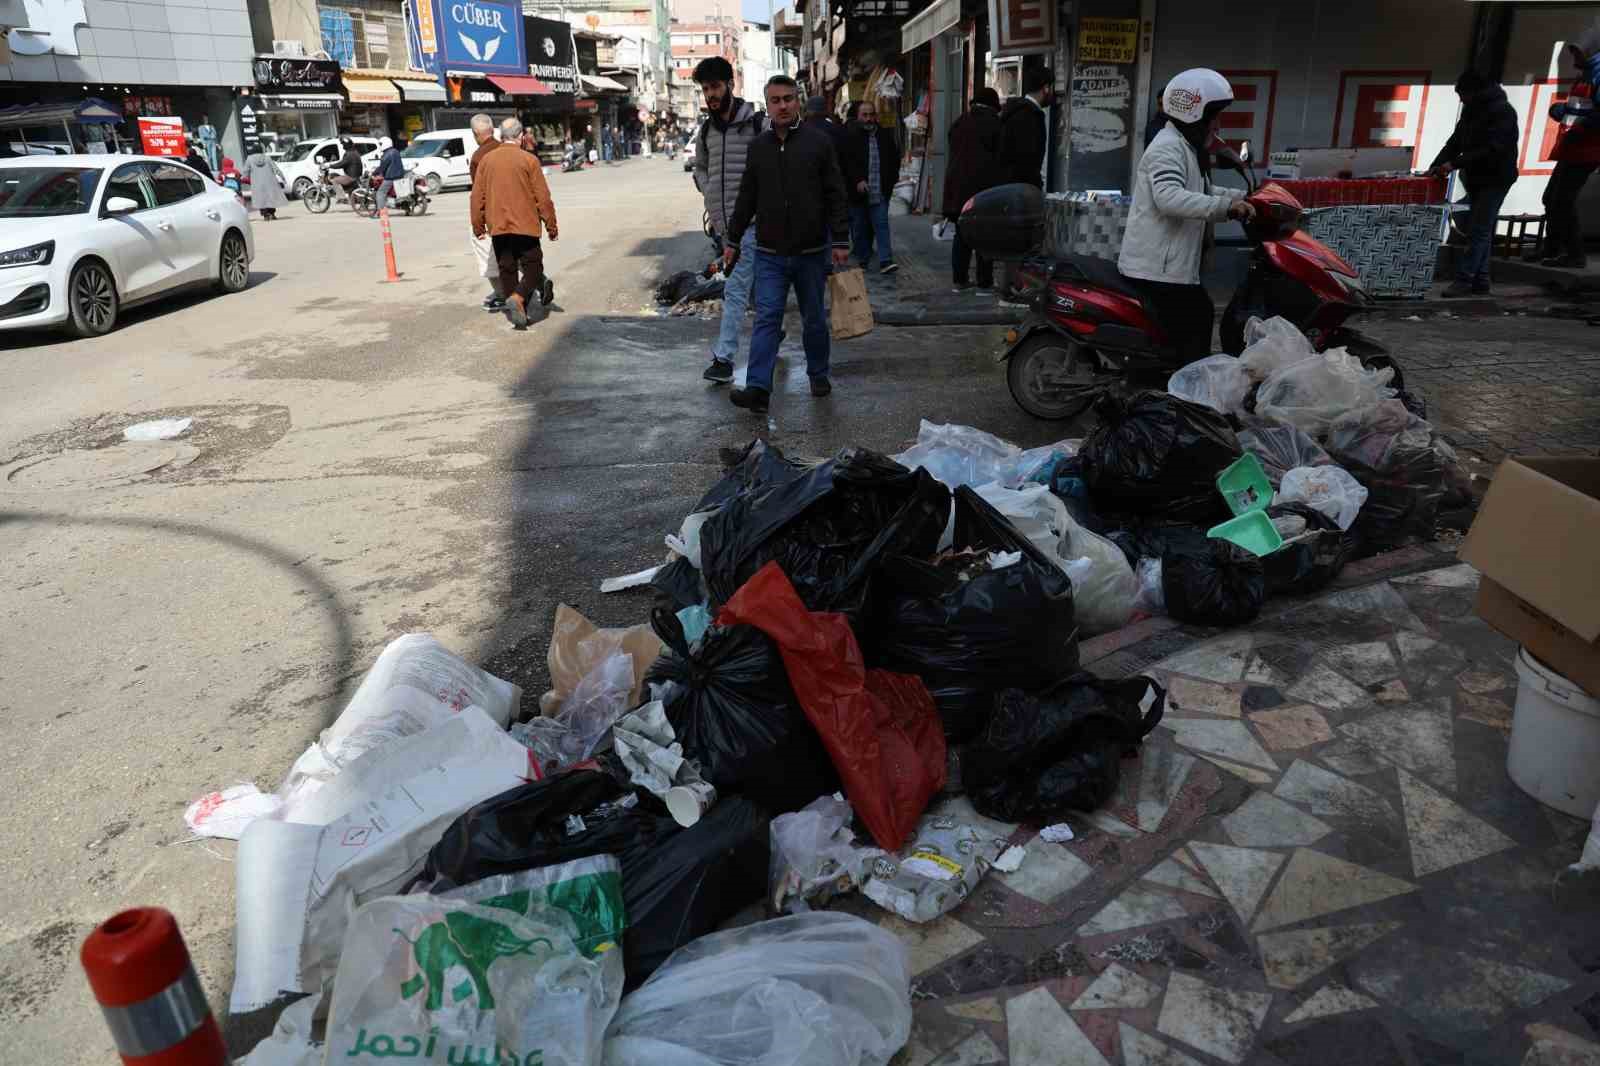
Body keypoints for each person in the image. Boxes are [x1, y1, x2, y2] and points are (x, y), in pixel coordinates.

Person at [723, 74, 850, 414]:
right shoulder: (759, 148)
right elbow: (746, 197)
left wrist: (840, 238)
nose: (783, 105)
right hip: (770, 254)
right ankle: (758, 389)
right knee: (766, 318)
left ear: (798, 101)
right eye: (776, 100)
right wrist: (732, 239)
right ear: (767, 105)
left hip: (811, 252)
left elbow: (836, 193)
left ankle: (818, 374)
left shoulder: (818, 143)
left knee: (813, 320)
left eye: (788, 99)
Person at [1117, 68, 1254, 364]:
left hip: (1173, 264)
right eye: (1214, 117)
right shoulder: (1167, 148)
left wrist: (1244, 198)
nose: (1218, 125)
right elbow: (1169, 198)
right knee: (1197, 318)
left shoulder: (1185, 147)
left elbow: (1201, 188)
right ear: (1196, 115)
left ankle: (1178, 380)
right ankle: (1181, 390)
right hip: (1156, 268)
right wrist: (1227, 209)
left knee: (1195, 319)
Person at [693, 54, 767, 384]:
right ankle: (773, 333)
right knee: (757, 289)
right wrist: (709, 194)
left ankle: (723, 359)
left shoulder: (755, 124)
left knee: (735, 290)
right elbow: (702, 167)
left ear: (730, 85)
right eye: (706, 88)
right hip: (725, 228)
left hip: (753, 223)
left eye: (715, 86)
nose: (710, 94)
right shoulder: (707, 129)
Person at [1428, 71, 1520, 296]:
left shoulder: (1503, 112)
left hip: (1496, 178)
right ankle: (1481, 280)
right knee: (1482, 229)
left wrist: (1455, 164)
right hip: (1477, 178)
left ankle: (1464, 279)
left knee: (1478, 229)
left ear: (1476, 92)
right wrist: (1436, 165)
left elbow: (1493, 149)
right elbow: (1456, 141)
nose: (1461, 100)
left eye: (1462, 94)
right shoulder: (1472, 111)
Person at [472, 117, 559, 328]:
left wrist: (478, 225)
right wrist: (551, 225)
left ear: (502, 135)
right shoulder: (529, 160)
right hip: (525, 225)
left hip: (499, 226)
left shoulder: (486, 160)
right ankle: (519, 298)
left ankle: (518, 316)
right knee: (534, 267)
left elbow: (477, 197)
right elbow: (543, 198)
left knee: (507, 269)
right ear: (520, 137)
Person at [1541, 22, 1600, 268]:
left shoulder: (1597, 74)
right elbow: (1579, 107)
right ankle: (1553, 249)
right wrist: (1563, 110)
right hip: (1573, 147)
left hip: (1587, 150)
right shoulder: (1587, 73)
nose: (1573, 57)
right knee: (1551, 198)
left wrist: (1574, 118)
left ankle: (1574, 254)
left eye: (1576, 52)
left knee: (1562, 200)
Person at [943, 87, 1004, 292]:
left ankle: (959, 280)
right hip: (983, 190)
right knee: (985, 235)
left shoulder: (959, 122)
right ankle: (984, 281)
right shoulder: (994, 124)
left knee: (962, 235)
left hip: (957, 190)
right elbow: (1000, 158)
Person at [840, 99, 900, 273]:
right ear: (858, 116)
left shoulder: (884, 135)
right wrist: (857, 180)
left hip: (880, 190)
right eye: (864, 115)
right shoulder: (850, 136)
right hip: (857, 193)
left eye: (871, 114)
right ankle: (863, 259)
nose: (868, 118)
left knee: (881, 225)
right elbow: (846, 163)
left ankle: (885, 261)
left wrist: (891, 182)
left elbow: (894, 159)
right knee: (859, 229)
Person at [468, 113, 508, 312]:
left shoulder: (478, 157)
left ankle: (502, 294)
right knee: (516, 252)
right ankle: (536, 280)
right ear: (492, 130)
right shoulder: (507, 148)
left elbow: (478, 195)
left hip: (493, 216)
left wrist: (478, 225)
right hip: (516, 212)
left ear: (475, 134)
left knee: (488, 256)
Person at [998, 66, 1053, 186]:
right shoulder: (1029, 115)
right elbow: (1027, 160)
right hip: (1021, 191)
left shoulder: (1017, 111)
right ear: (1046, 88)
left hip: (1010, 187)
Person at [244, 148, 286, 220]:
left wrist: (243, 178)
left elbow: (245, 171)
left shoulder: (249, 159)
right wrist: (282, 177)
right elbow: (275, 168)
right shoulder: (267, 158)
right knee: (270, 198)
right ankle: (272, 214)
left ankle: (265, 215)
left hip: (257, 183)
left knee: (261, 199)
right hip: (269, 182)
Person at [374, 136, 405, 215]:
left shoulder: (387, 154)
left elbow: (382, 167)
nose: (380, 146)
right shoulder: (396, 151)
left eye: (381, 144)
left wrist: (375, 172)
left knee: (380, 193)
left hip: (391, 177)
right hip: (400, 175)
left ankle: (380, 212)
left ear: (385, 144)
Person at [331, 137, 364, 204]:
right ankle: (351, 197)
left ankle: (342, 198)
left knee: (334, 180)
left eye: (343, 144)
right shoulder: (355, 152)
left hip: (351, 177)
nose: (342, 146)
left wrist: (330, 166)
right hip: (356, 175)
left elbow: (342, 164)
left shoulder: (349, 154)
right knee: (339, 177)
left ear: (347, 145)